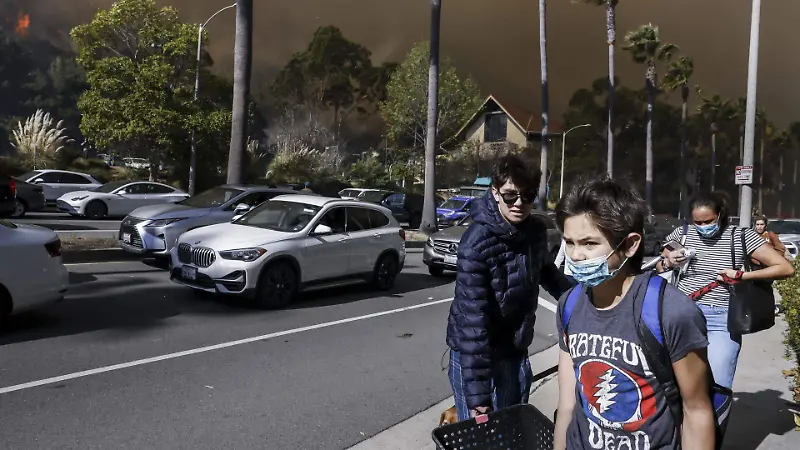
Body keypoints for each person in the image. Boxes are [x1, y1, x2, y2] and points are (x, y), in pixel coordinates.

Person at [554, 177, 716, 450]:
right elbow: (568, 404)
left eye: (589, 244)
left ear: (629, 245)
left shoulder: (671, 312)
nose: (576, 255)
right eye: (569, 242)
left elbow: (697, 411)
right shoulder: (569, 305)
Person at [446, 153, 574, 421]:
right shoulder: (476, 242)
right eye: (510, 195)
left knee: (513, 426)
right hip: (477, 354)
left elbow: (549, 274)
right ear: (495, 193)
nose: (519, 203)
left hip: (514, 349)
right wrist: (479, 396)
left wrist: (586, 298)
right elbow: (472, 323)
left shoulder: (535, 231)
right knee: (481, 436)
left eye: (527, 196)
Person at [658, 193, 794, 389]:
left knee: (718, 384)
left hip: (720, 318)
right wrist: (670, 260)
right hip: (682, 314)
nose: (703, 227)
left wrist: (741, 276)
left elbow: (785, 268)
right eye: (698, 222)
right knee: (677, 384)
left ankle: (715, 419)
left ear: (721, 214)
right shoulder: (682, 233)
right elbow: (661, 266)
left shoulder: (741, 236)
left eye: (708, 221)